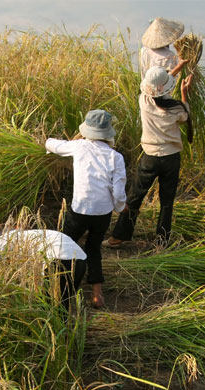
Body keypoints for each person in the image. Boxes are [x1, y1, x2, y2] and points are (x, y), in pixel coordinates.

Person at [45, 109, 127, 308]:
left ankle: (57, 282)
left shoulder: (79, 146)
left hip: (80, 209)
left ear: (86, 130)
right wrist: (120, 207)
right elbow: (118, 192)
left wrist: (46, 141)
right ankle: (97, 294)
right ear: (108, 133)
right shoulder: (116, 157)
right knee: (93, 248)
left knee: (64, 243)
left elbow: (54, 145)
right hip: (103, 213)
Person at [107, 67, 193, 248]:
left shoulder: (144, 101)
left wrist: (177, 67)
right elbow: (185, 117)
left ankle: (119, 237)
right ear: (167, 88)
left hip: (150, 158)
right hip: (171, 158)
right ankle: (162, 241)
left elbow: (158, 86)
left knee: (135, 197)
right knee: (167, 202)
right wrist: (185, 93)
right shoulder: (176, 108)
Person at [0, 226, 86, 309]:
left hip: (57, 259)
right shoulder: (32, 234)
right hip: (80, 259)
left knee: (48, 308)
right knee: (63, 303)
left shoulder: (2, 240)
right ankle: (65, 328)